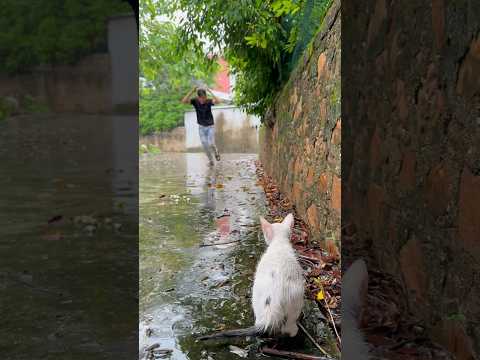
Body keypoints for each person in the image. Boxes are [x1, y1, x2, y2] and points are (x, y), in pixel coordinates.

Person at [182, 86, 221, 166]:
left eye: (204, 98)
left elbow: (219, 101)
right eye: (201, 98)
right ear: (198, 97)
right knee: (204, 144)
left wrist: (210, 91)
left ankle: (216, 152)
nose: (202, 100)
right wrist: (192, 90)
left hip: (210, 126)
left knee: (211, 143)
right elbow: (184, 101)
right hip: (201, 127)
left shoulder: (209, 101)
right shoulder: (195, 101)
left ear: (206, 97)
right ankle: (211, 161)